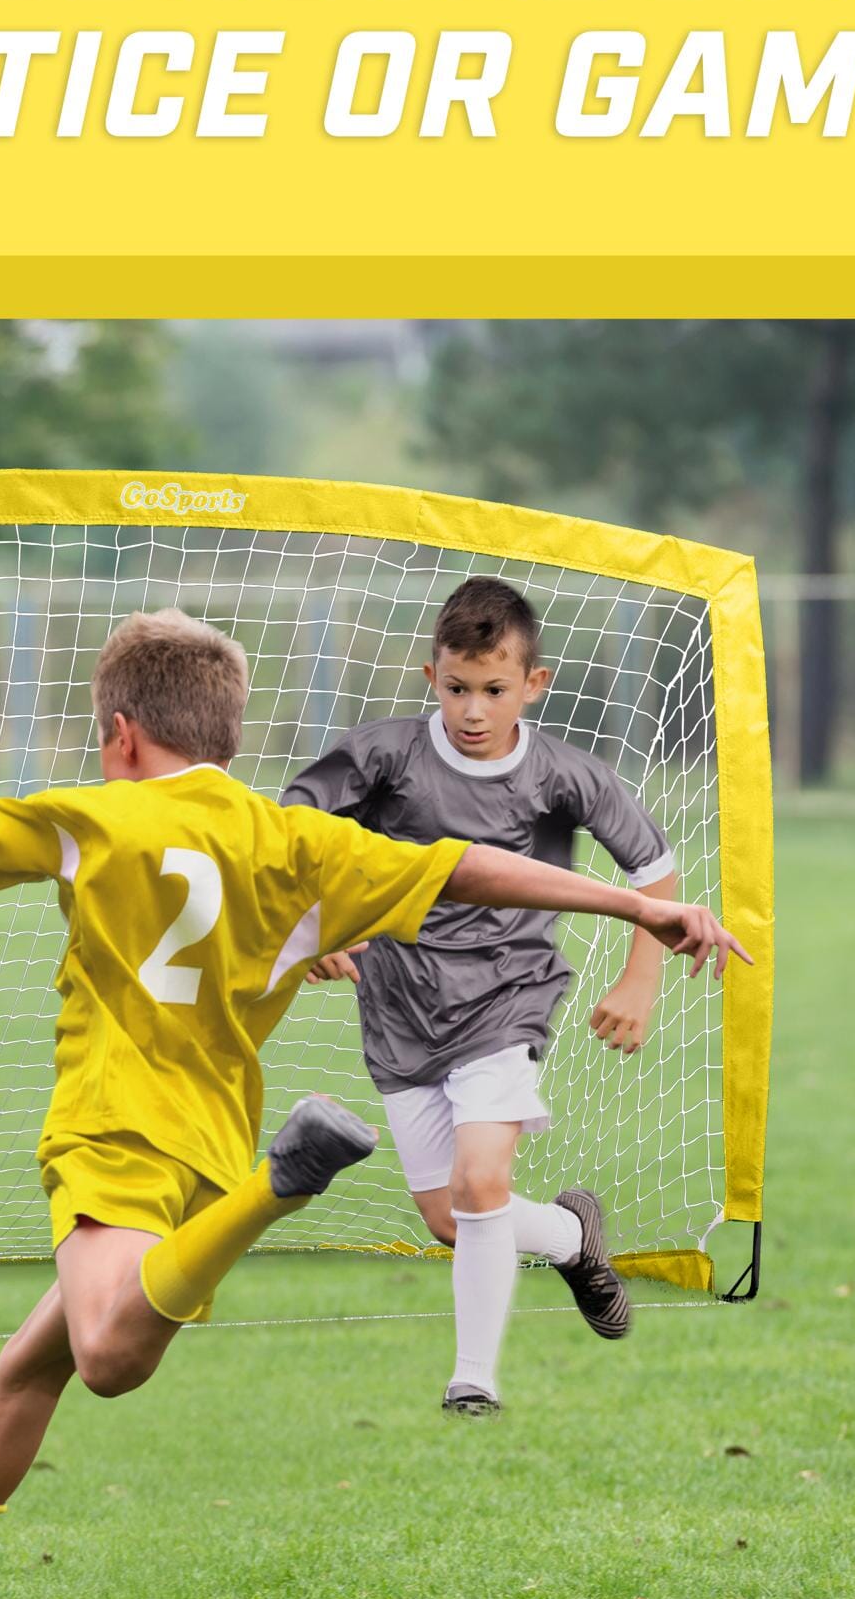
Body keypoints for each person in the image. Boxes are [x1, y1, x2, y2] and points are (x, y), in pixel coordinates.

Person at [0, 608, 746, 1599]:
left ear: (121, 733)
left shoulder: (85, 815)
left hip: (114, 1130)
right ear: (228, 730)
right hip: (203, 1154)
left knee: (106, 1356)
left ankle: (284, 1183)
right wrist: (631, 907)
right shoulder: (292, 839)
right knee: (25, 1372)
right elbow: (465, 865)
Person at [285, 575, 685, 1415]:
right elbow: (288, 833)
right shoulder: (383, 756)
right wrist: (314, 924)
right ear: (431, 676)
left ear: (533, 684)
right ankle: (573, 1236)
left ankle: (473, 1383)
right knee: (453, 1216)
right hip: (398, 1010)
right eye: (458, 688)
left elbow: (654, 870)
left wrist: (640, 977)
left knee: (479, 1182)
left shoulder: (564, 775)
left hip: (508, 999)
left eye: (494, 691)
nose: (473, 710)